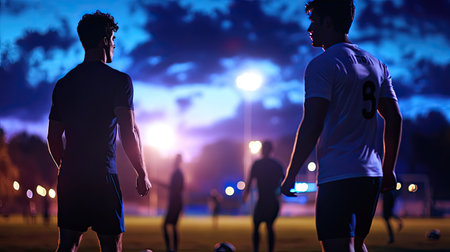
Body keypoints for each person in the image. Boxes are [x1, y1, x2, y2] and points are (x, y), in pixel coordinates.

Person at [280, 0, 402, 251]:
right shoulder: (376, 64)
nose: (309, 28)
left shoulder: (323, 65)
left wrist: (291, 173)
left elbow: (312, 123)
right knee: (358, 244)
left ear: (328, 22)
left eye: (313, 21)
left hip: (338, 174)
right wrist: (388, 168)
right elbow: (394, 117)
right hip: (371, 175)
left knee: (338, 247)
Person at [47, 10, 151, 252]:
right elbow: (129, 132)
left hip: (71, 179)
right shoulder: (119, 81)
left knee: (67, 245)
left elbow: (53, 137)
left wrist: (66, 167)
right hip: (103, 177)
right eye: (113, 39)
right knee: (111, 246)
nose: (114, 44)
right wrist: (142, 172)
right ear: (105, 40)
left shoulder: (64, 84)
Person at [243, 141, 284, 252]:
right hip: (273, 200)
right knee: (269, 226)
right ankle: (270, 250)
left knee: (256, 226)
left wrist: (245, 195)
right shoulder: (277, 165)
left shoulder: (257, 164)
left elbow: (250, 181)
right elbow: (284, 181)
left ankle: (256, 249)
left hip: (262, 200)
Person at [163, 154, 184, 252]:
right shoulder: (178, 173)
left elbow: (175, 188)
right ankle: (173, 249)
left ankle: (170, 249)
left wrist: (157, 182)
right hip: (176, 202)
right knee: (173, 226)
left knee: (166, 226)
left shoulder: (178, 173)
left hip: (175, 203)